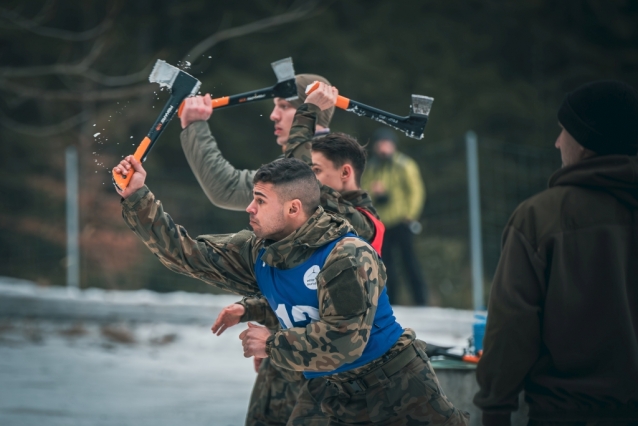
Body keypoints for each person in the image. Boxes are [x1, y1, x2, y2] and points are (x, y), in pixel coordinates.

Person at [113, 156, 468, 425]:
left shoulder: (347, 254)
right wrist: (137, 196)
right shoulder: (259, 250)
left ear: (294, 208)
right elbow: (187, 254)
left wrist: (270, 343)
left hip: (394, 386)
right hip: (327, 390)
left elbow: (342, 342)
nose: (249, 208)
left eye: (260, 200)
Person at [181, 79, 385, 425]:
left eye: (286, 106)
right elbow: (226, 186)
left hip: (323, 365)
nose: (274, 114)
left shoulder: (354, 217)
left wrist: (309, 117)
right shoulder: (282, 181)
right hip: (283, 354)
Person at [473, 80, 638, 426]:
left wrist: (495, 408)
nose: (557, 141)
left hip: (564, 414)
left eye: (564, 131)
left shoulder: (542, 216)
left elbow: (512, 325)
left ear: (584, 141)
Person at [361, 129, 428, 306]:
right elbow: (365, 191)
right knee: (386, 264)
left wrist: (410, 215)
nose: (383, 148)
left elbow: (416, 191)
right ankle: (393, 302)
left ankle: (421, 301)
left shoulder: (405, 165)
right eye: (380, 144)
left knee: (409, 262)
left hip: (402, 221)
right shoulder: (373, 167)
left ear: (393, 145)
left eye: (386, 144)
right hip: (382, 223)